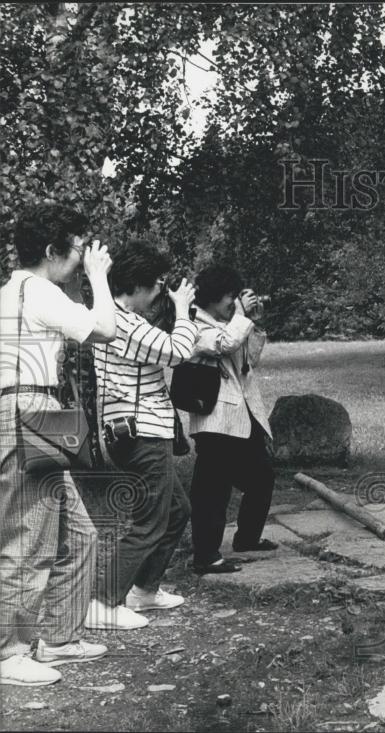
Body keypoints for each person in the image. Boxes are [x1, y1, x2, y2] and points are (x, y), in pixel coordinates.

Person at [0, 203, 116, 686]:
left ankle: (61, 639)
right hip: (28, 410)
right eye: (76, 249)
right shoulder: (37, 291)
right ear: (52, 251)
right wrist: (99, 277)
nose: (80, 258)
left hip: (33, 410)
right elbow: (105, 329)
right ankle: (9, 653)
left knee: (79, 532)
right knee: (28, 538)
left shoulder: (15, 291)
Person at [89, 239, 197, 630]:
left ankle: (145, 591)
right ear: (137, 285)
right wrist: (183, 309)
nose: (158, 295)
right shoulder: (125, 323)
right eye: (155, 286)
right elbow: (178, 350)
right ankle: (102, 603)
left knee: (175, 510)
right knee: (148, 521)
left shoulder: (114, 318)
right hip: (141, 433)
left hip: (132, 430)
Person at [187, 264, 276, 574]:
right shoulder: (194, 323)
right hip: (216, 419)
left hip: (242, 414)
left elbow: (248, 357)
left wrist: (254, 321)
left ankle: (247, 538)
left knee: (262, 476)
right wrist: (241, 316)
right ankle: (206, 556)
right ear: (212, 297)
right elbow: (224, 344)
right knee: (212, 490)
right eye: (230, 297)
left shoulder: (230, 322)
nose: (233, 303)